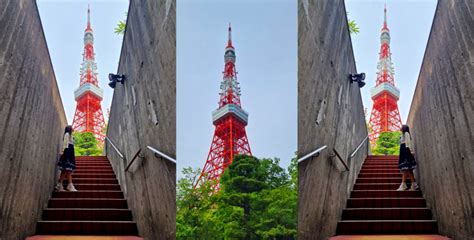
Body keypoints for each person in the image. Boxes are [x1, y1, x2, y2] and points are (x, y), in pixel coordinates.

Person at [397, 125, 420, 191]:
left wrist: (411, 151)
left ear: (404, 128)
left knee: (406, 169)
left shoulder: (406, 133)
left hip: (406, 152)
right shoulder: (402, 135)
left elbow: (408, 143)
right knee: (409, 170)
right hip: (403, 152)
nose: (400, 127)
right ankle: (413, 185)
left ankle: (404, 185)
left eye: (401, 126)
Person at [55, 125, 78, 192]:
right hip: (67, 152)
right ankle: (69, 186)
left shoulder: (70, 135)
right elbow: (65, 144)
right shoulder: (67, 134)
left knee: (65, 170)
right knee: (67, 169)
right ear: (69, 129)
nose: (73, 128)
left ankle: (60, 185)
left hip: (70, 152)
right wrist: (63, 151)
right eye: (72, 127)